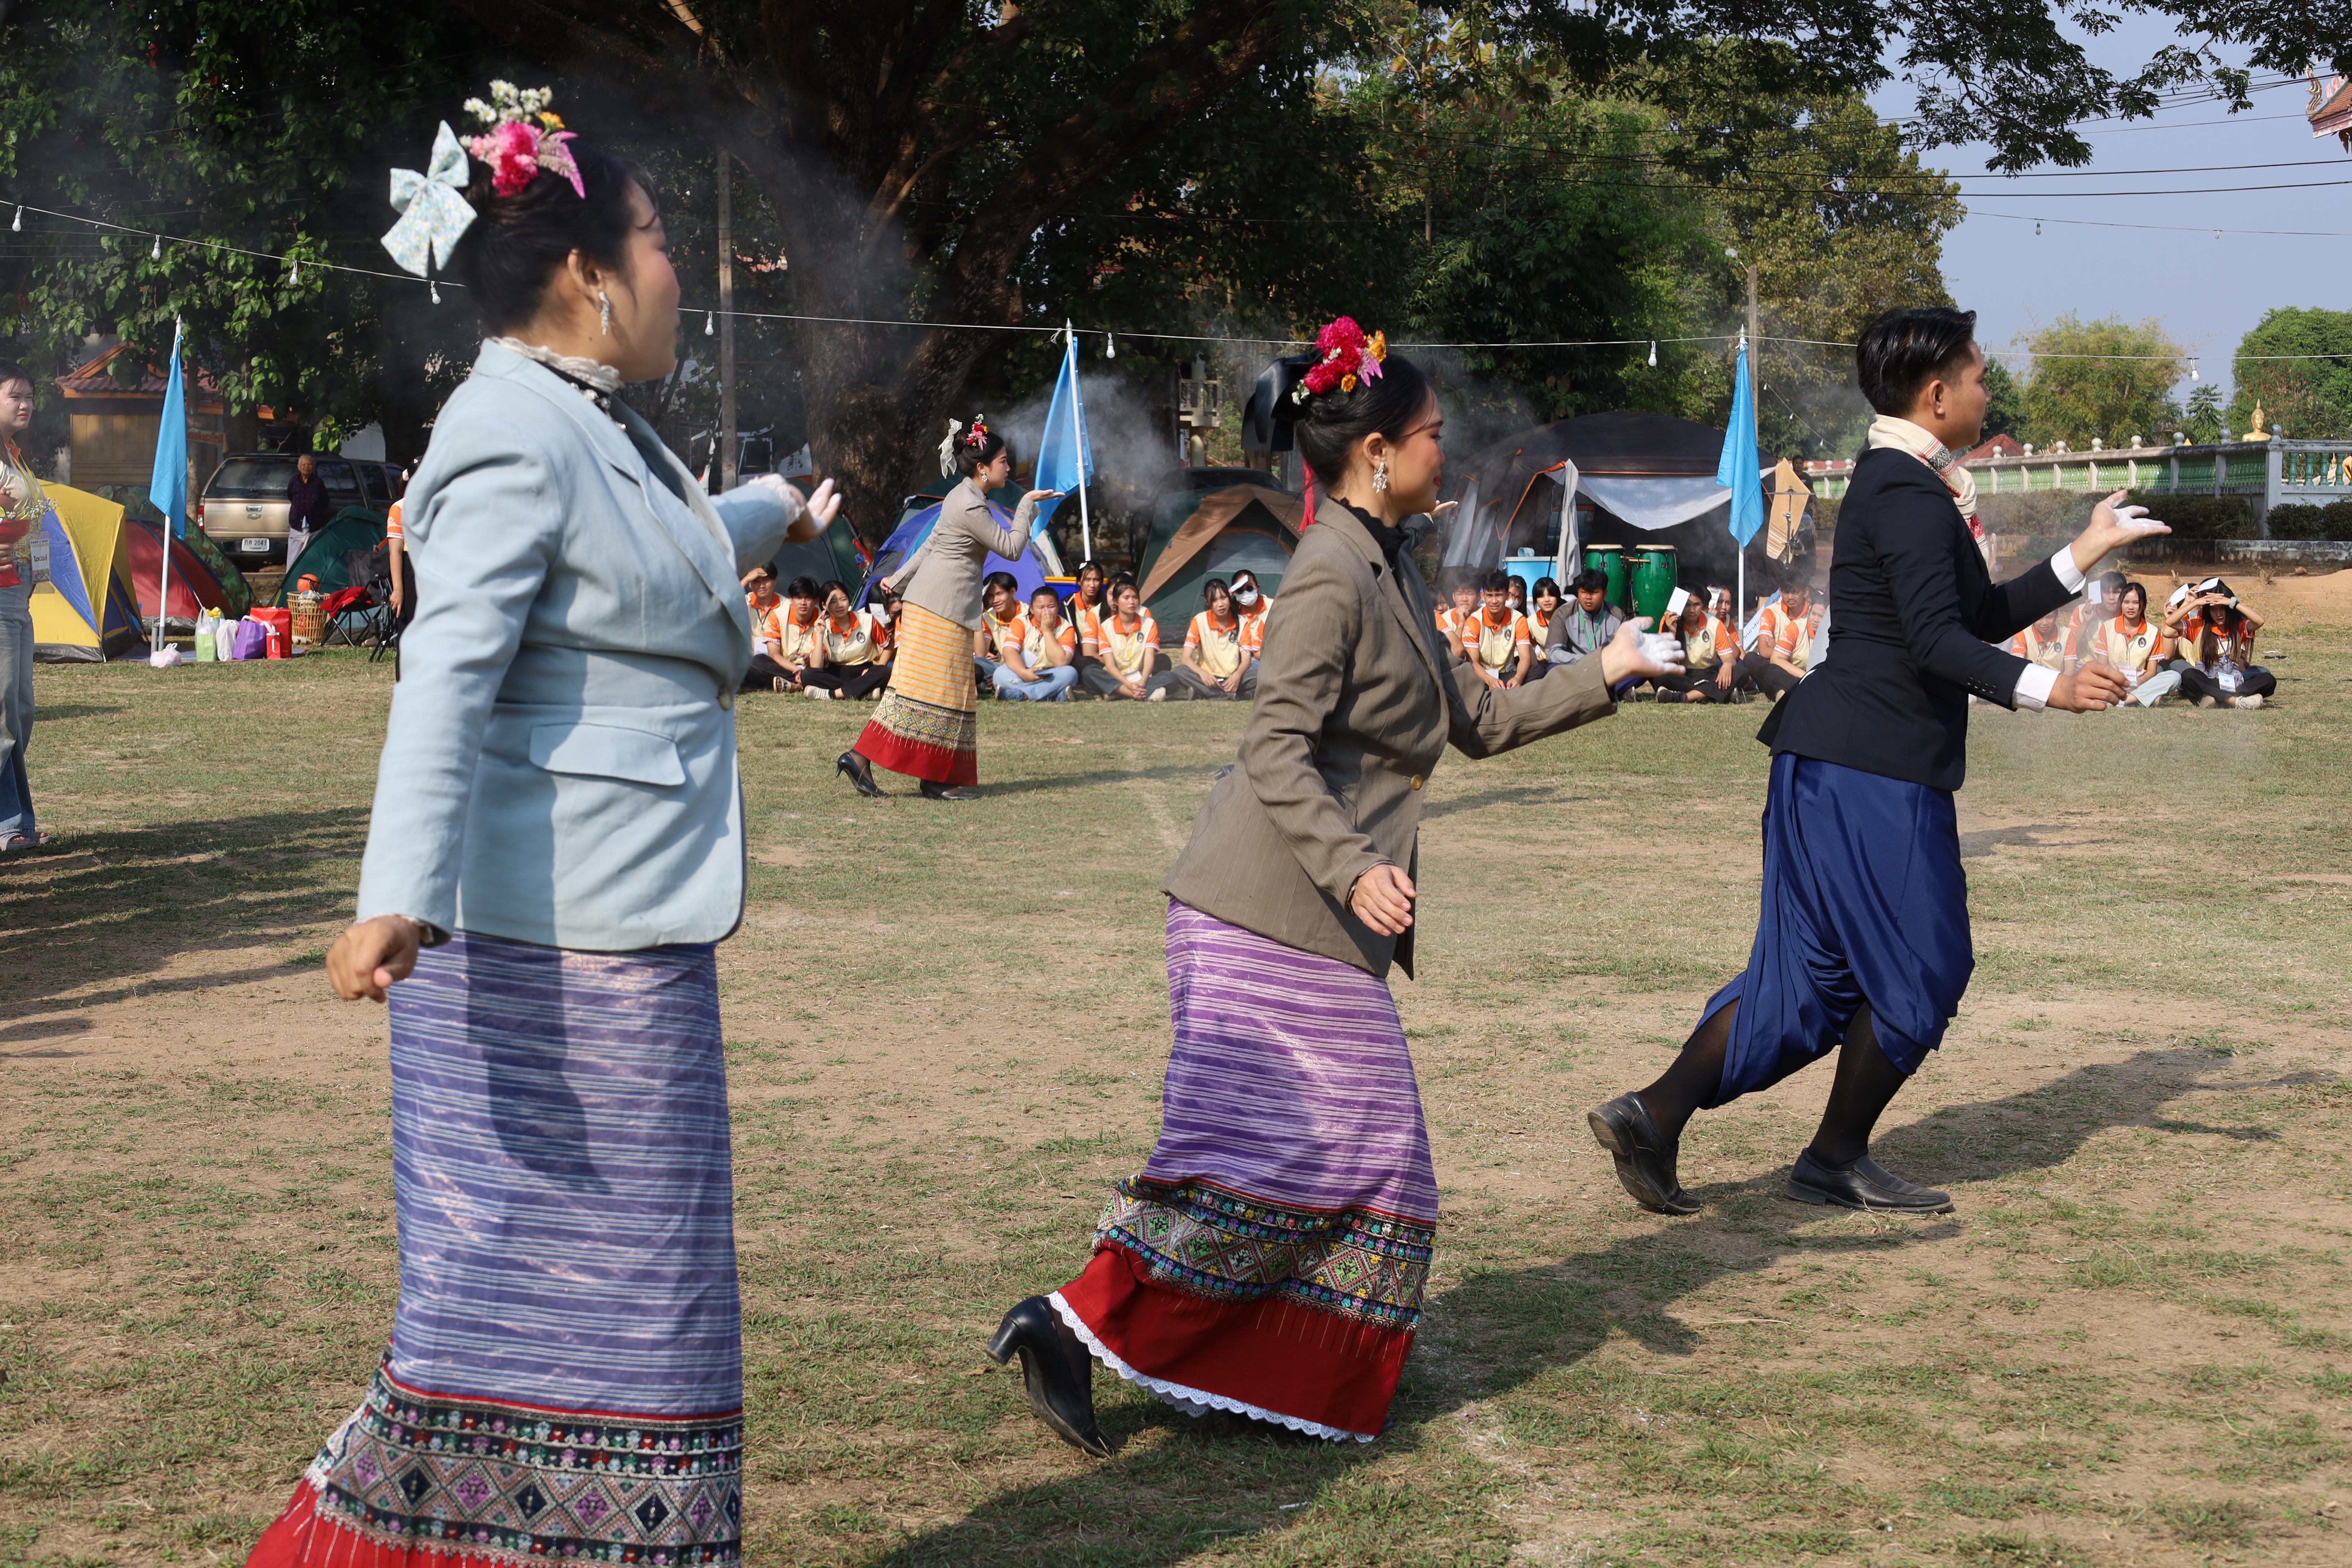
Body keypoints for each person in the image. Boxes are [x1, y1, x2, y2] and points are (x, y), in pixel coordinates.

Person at [249, 89, 841, 1568]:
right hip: (541, 955)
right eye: (655, 243)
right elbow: (446, 676)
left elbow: (671, 554)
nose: (674, 277)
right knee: (584, 1332)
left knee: (642, 1328)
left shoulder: (589, 423)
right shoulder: (513, 428)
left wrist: (779, 506)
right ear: (586, 271)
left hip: (614, 937)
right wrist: (393, 893)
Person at [987, 320, 1677, 1455]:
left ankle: (1260, 1369)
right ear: (1374, 456)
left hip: (1308, 918)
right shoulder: (1325, 574)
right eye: (1429, 439)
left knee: (1342, 1161)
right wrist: (1358, 869)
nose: (1442, 459)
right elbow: (1276, 747)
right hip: (1262, 911)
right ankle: (1076, 1324)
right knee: (1320, 1159)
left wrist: (1602, 670)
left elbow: (1480, 719)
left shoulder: (1386, 562)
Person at [1583, 305, 2162, 1223]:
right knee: (1925, 965)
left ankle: (1651, 1115)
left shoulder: (1907, 484)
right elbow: (1939, 642)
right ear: (1935, 396)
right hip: (1868, 774)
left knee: (1809, 987)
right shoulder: (1904, 493)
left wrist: (2084, 548)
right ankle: (1834, 1157)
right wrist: (2046, 687)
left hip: (1838, 763)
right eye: (1975, 375)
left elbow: (1974, 612)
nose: (1985, 388)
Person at [839, 418, 1055, 799]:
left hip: (934, 604)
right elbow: (1010, 548)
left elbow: (930, 545)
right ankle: (926, 776)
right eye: (1004, 460)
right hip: (941, 608)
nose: (1009, 466)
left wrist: (899, 580)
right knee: (936, 692)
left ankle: (876, 762)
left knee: (928, 691)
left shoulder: (962, 496)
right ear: (983, 467)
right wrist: (1024, 507)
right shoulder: (971, 503)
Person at [0, 360, 49, 852]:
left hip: (19, 590)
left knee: (21, 710)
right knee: (2, 711)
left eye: (30, 395)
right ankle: (10, 826)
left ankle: (17, 823)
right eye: (15, 395)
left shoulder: (14, 455)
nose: (26, 403)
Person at [2171, 586, 2273, 709]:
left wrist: (2233, 602)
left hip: (2232, 681)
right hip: (2208, 679)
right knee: (2189, 675)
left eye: (2223, 609)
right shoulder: (2199, 627)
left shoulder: (2238, 627)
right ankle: (2235, 702)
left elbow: (2259, 622)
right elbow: (2170, 624)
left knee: (2268, 679)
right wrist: (2196, 602)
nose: (2218, 614)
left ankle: (2214, 698)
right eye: (2213, 610)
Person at [1083, 580, 1178, 700]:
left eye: (1135, 598)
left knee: (1172, 677)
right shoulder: (1106, 627)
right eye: (1126, 598)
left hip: (1140, 676)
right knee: (1089, 672)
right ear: (1116, 601)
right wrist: (1129, 686)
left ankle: (1116, 693)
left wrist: (1143, 682)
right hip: (1116, 677)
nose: (1132, 602)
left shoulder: (1149, 624)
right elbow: (1110, 665)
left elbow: (1149, 657)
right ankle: (1137, 694)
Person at [802, 579, 894, 700]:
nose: (840, 605)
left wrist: (879, 667)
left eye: (844, 599)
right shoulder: (822, 626)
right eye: (833, 602)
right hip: (836, 672)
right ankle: (864, 691)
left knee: (884, 672)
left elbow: (888, 645)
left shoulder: (867, 620)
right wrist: (820, 635)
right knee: (808, 675)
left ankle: (831, 694)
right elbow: (816, 667)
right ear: (824, 605)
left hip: (863, 671)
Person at [1547, 568, 1632, 697]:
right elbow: (1552, 652)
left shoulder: (1617, 615)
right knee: (1552, 669)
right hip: (1576, 668)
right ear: (1578, 592)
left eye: (1594, 593)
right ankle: (1612, 690)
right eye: (1584, 592)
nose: (1588, 597)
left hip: (1607, 669)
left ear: (1605, 594)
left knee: (1641, 669)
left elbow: (1631, 649)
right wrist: (1585, 661)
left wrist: (1606, 662)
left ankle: (1588, 691)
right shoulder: (1563, 614)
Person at [1735, 573, 1818, 701]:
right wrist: (1785, 653)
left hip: (1804, 667)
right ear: (1780, 592)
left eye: (1795, 593)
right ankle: (1791, 688)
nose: (1790, 597)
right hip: (1779, 667)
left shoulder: (1814, 614)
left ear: (1806, 592)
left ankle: (1782, 690)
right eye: (1786, 593)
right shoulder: (1771, 612)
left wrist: (1781, 649)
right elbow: (1764, 651)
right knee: (1751, 659)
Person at [2084, 580, 2170, 705]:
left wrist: (2137, 683)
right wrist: (2118, 682)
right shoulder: (2107, 627)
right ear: (2121, 604)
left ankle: (2125, 701)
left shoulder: (2153, 632)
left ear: (2143, 605)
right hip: (2113, 682)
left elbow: (2152, 671)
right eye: (2126, 602)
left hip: (2140, 682)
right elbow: (2103, 665)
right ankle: (2144, 698)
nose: (2131, 607)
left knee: (2174, 677)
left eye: (2136, 603)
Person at [1174, 576, 1257, 700]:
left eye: (1224, 598)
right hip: (1209, 679)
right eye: (1214, 600)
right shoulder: (1199, 620)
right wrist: (1202, 674)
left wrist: (1237, 675)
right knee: (1180, 671)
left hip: (1234, 678)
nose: (1221, 604)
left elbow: (1247, 660)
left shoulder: (1242, 622)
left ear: (1229, 598)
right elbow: (1186, 659)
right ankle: (1233, 696)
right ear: (1208, 603)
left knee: (1262, 674)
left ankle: (1209, 694)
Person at [996, 583, 1080, 700]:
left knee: (1070, 674)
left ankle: (1022, 695)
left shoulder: (1067, 628)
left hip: (1051, 674)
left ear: (1058, 608)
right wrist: (1024, 673)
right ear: (1032, 609)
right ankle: (1055, 696)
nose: (1046, 612)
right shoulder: (1021, 622)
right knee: (1000, 674)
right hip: (1023, 671)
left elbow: (1061, 663)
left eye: (1051, 607)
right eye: (1040, 608)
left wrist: (1048, 631)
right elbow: (1009, 651)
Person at [1651, 593, 1736, 704]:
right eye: (1687, 605)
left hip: (1709, 675)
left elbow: (1730, 657)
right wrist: (1672, 631)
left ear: (1703, 606)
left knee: (1740, 672)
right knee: (1660, 676)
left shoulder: (1714, 623)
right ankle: (1715, 694)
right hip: (1684, 676)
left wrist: (1728, 665)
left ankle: (1683, 697)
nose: (1692, 610)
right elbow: (1666, 662)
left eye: (1697, 605)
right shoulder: (1670, 621)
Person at [1462, 566, 1534, 691]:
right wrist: (1490, 680)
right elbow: (1473, 663)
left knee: (1537, 671)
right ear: (1483, 596)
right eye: (1490, 595)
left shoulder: (1519, 620)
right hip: (1483, 675)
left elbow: (1525, 658)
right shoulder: (1474, 622)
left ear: (1507, 596)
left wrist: (1518, 678)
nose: (1494, 601)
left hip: (1508, 674)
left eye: (1499, 595)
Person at [974, 570, 1027, 693]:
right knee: (974, 664)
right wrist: (978, 616)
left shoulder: (1028, 614)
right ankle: (998, 683)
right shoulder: (989, 617)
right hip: (1001, 666)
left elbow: (1035, 655)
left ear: (1013, 592)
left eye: (999, 594)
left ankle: (998, 682)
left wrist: (1003, 672)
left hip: (1025, 666)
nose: (995, 600)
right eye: (991, 596)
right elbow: (981, 653)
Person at [285, 451, 333, 571]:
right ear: (299, 467)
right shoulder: (294, 481)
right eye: (304, 465)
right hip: (297, 524)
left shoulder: (318, 482)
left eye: (309, 464)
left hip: (315, 525)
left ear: (313, 466)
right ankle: (291, 580)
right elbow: (290, 496)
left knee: (313, 555)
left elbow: (325, 500)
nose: (307, 467)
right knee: (294, 556)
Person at [1067, 560, 1109, 689]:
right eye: (1087, 580)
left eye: (1097, 580)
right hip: (1082, 656)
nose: (1092, 585)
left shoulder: (1107, 603)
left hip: (1108, 654)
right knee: (1082, 665)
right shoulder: (1068, 604)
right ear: (1079, 582)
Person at [2010, 609, 2074, 675]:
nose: (2045, 623)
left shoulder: (2067, 634)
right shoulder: (2024, 633)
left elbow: (2070, 671)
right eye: (2040, 617)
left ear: (2056, 616)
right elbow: (2016, 666)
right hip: (2030, 679)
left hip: (2056, 681)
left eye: (2050, 617)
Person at [1525, 577, 1561, 678]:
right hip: (1544, 663)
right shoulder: (1531, 622)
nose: (1547, 600)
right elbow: (1529, 648)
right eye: (1541, 596)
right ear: (1536, 600)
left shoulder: (1568, 616)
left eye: (1551, 595)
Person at [1228, 568, 1272, 652]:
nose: (1245, 593)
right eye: (1240, 590)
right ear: (1235, 593)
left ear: (1258, 588)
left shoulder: (1273, 607)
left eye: (1249, 588)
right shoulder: (1231, 614)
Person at [1436, 578, 1479, 644]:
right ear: (1454, 597)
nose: (1464, 599)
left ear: (1479, 597)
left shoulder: (1484, 615)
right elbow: (1452, 650)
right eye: (1460, 594)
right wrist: (1460, 625)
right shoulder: (1445, 619)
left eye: (1469, 594)